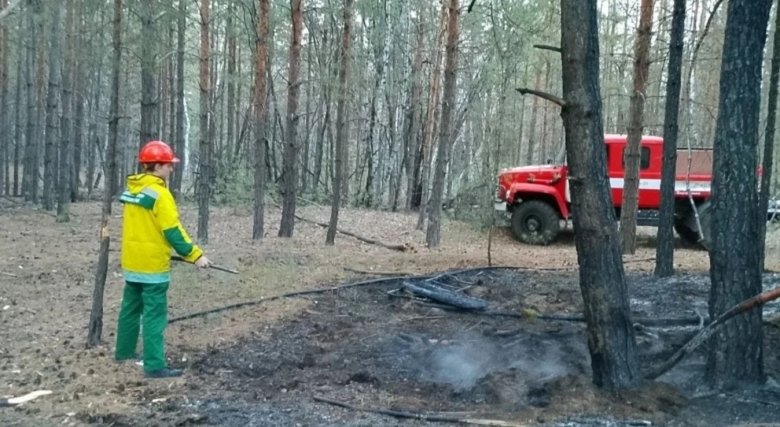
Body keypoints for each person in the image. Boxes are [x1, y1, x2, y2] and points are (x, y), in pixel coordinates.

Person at [114, 140, 210, 378]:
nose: (171, 169)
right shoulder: (160, 194)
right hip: (152, 266)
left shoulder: (132, 190)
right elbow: (173, 231)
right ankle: (154, 365)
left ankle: (124, 353)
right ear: (156, 166)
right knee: (154, 316)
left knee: (129, 310)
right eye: (168, 165)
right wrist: (195, 255)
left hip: (132, 262)